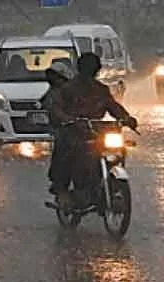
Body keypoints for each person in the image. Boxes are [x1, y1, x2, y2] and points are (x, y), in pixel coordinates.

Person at [48, 53, 137, 208]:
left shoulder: (101, 89)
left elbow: (113, 106)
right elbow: (56, 109)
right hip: (74, 131)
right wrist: (69, 120)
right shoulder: (68, 89)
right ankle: (63, 189)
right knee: (67, 150)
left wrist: (126, 118)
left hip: (96, 131)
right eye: (88, 69)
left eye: (92, 69)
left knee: (118, 149)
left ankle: (102, 184)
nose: (90, 73)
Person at [41, 59, 76, 197]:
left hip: (79, 126)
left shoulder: (74, 89)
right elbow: (51, 107)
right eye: (52, 76)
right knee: (62, 148)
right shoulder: (54, 92)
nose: (55, 79)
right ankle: (59, 182)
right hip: (63, 126)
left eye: (57, 76)